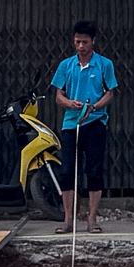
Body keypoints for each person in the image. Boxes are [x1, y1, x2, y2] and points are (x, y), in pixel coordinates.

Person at [50, 20, 116, 233]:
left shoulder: (105, 64)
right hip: (71, 123)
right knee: (67, 171)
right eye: (77, 42)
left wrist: (94, 106)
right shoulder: (66, 65)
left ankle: (92, 218)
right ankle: (68, 218)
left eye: (85, 42)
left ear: (93, 42)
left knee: (94, 171)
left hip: (95, 122)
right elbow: (58, 95)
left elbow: (110, 92)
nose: (81, 46)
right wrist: (69, 103)